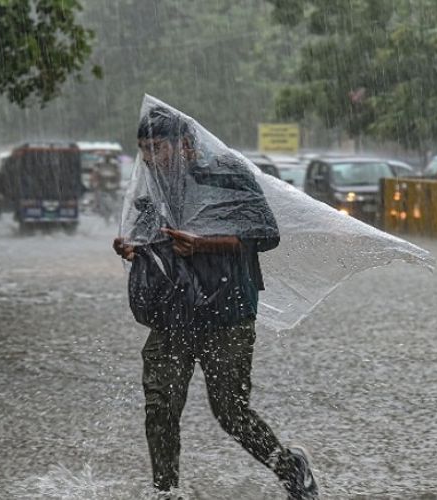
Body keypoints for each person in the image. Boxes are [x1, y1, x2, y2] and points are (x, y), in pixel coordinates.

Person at [113, 106, 318, 499]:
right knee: (160, 407)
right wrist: (129, 247)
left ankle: (291, 469)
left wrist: (203, 244)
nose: (150, 158)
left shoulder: (227, 174)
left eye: (158, 147)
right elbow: (144, 233)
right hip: (172, 311)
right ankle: (165, 492)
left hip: (226, 310)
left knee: (231, 412)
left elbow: (265, 233)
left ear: (186, 144)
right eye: (143, 149)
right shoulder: (152, 186)